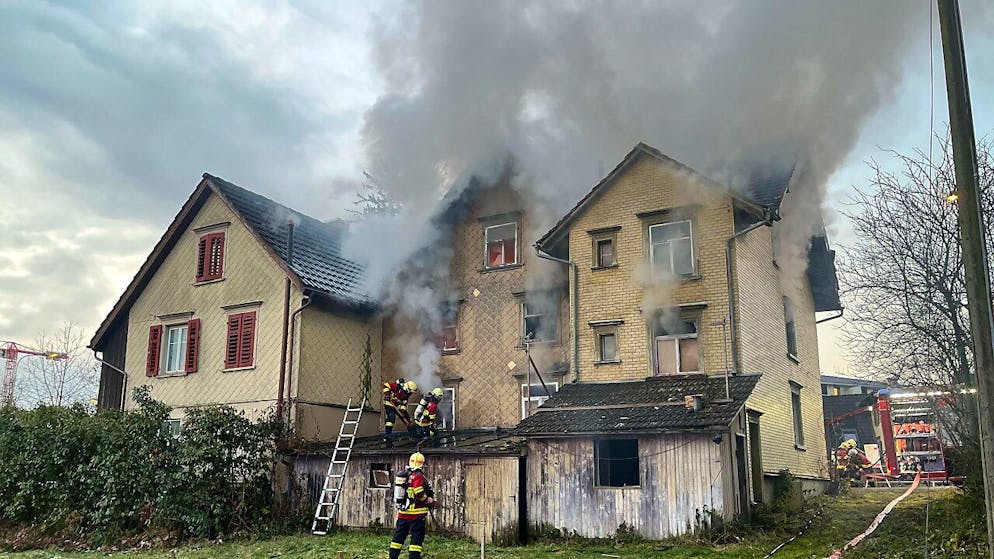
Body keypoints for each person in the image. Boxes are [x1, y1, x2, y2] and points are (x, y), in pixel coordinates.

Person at [389, 452, 437, 559]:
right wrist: (428, 501)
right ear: (422, 464)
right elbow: (418, 491)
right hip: (417, 515)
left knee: (398, 537)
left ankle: (393, 557)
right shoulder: (418, 476)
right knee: (416, 538)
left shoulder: (406, 475)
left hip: (403, 513)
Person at [383, 378, 418, 446]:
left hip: (397, 406)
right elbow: (386, 385)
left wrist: (403, 410)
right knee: (391, 417)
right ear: (408, 388)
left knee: (407, 419)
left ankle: (413, 435)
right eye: (410, 391)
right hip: (389, 403)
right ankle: (388, 435)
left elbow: (404, 403)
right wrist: (387, 394)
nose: (410, 393)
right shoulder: (396, 386)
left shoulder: (406, 394)